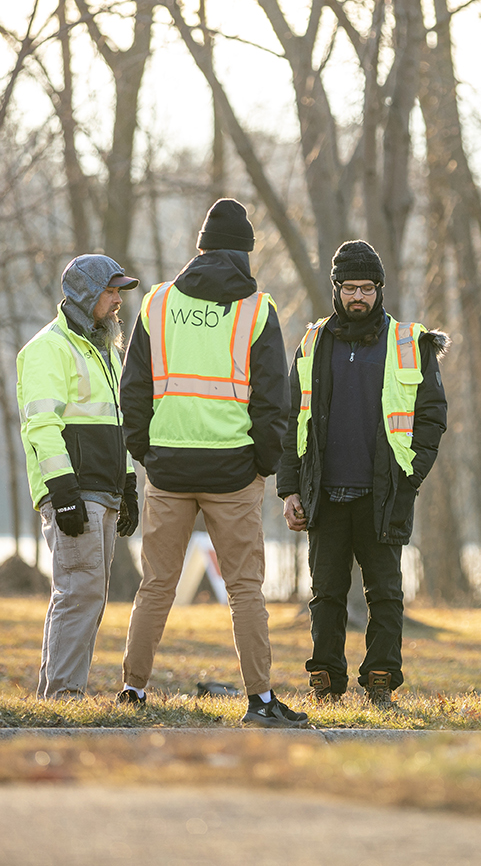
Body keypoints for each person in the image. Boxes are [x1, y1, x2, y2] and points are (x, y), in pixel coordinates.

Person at [116, 198, 307, 728]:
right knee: (245, 588)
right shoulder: (257, 309)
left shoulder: (156, 303)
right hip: (233, 471)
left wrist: (145, 452)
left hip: (169, 468)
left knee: (156, 583)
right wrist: (262, 465)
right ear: (245, 254)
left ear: (199, 250)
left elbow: (134, 389)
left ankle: (131, 689)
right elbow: (274, 399)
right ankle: (260, 700)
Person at [278, 240, 447, 708]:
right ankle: (326, 682)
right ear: (335, 289)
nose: (359, 297)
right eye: (350, 287)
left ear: (380, 290)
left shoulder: (410, 342)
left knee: (386, 595)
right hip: (324, 495)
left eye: (367, 288)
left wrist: (411, 473)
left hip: (384, 493)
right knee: (325, 595)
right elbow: (293, 419)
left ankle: (379, 681)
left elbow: (432, 415)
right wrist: (289, 489)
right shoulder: (312, 343)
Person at [17, 254, 141, 699]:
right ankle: (64, 697)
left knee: (87, 594)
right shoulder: (47, 349)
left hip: (102, 490)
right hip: (75, 491)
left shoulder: (104, 349)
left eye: (118, 294)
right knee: (79, 593)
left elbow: (116, 423)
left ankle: (60, 695)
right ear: (87, 294)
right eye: (111, 292)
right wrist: (63, 491)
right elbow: (41, 426)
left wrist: (128, 484)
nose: (117, 302)